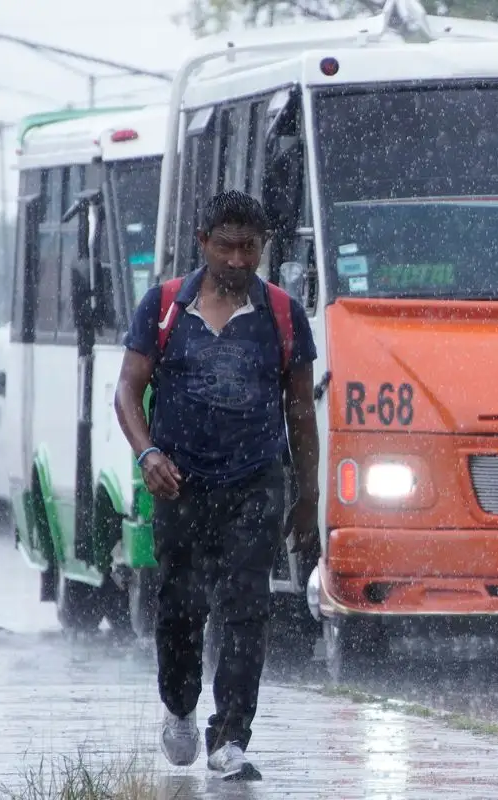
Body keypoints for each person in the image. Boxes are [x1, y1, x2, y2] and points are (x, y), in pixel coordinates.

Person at [114, 190, 320, 781]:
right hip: (180, 484)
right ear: (202, 242)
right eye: (226, 246)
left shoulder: (283, 314)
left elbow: (301, 411)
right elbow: (127, 391)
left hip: (257, 482)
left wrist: (307, 495)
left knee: (247, 606)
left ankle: (230, 737)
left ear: (263, 248)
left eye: (249, 248)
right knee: (181, 606)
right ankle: (180, 705)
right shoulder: (164, 307)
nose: (237, 259)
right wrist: (148, 453)